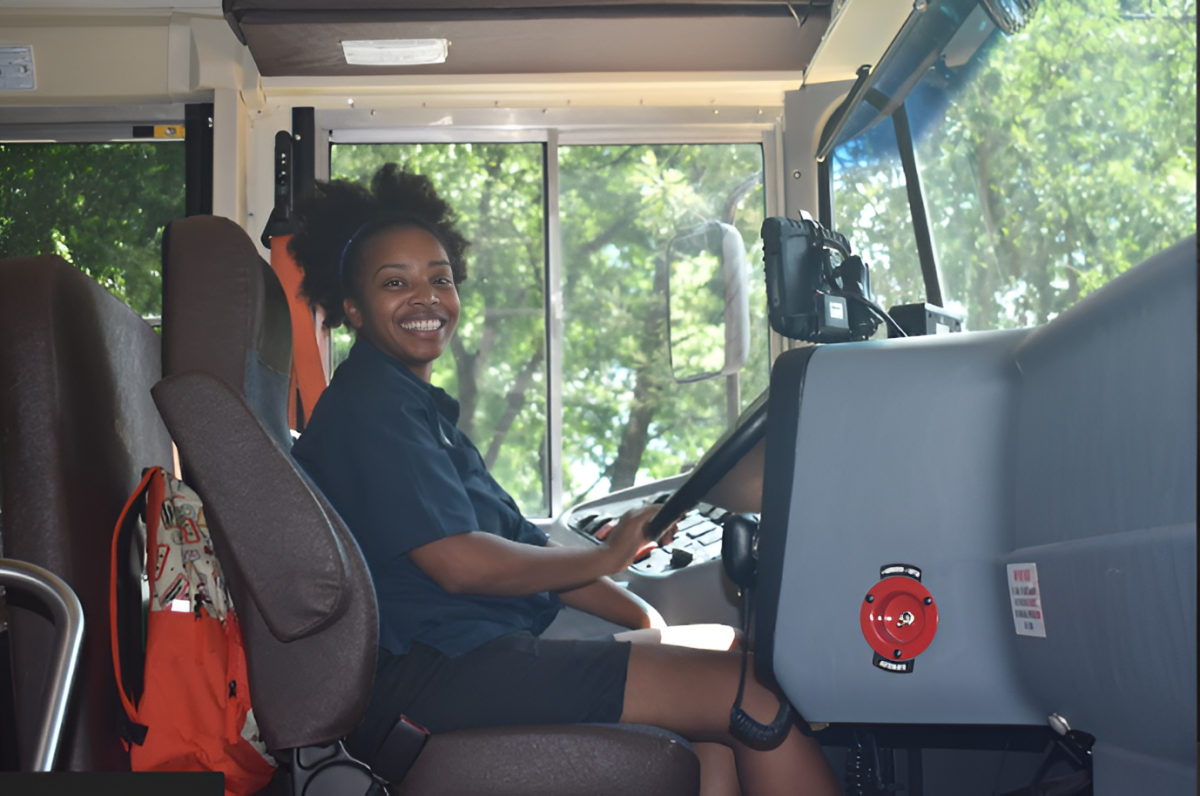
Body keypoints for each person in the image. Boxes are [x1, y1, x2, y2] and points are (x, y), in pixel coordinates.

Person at [289, 163, 840, 796]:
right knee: (753, 695)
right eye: (395, 282)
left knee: (722, 673)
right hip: (439, 673)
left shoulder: (420, 412)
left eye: (440, 279)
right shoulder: (369, 409)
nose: (426, 298)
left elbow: (527, 546)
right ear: (352, 307)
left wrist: (638, 611)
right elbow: (461, 565)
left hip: (473, 652)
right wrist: (609, 555)